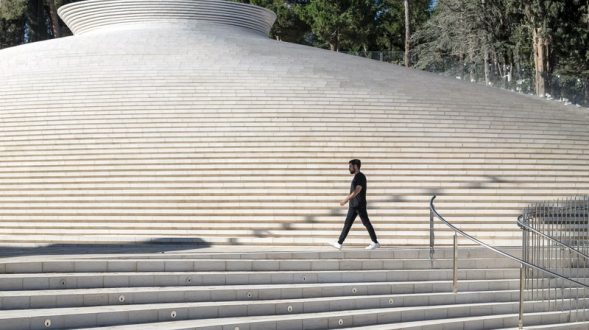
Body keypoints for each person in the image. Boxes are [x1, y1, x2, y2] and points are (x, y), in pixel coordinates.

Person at [328, 159, 380, 250]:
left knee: (366, 222)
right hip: (354, 205)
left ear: (355, 166)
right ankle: (339, 243)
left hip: (359, 205)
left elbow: (357, 190)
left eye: (350, 166)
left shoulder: (360, 176)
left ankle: (375, 242)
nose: (349, 168)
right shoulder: (357, 176)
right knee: (347, 223)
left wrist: (346, 199)